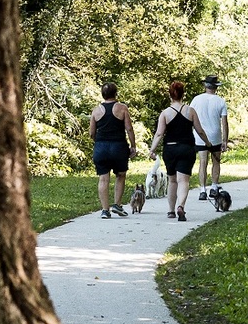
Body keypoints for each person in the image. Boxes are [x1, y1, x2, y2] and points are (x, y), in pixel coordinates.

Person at [148, 81, 209, 222]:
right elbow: (199, 130)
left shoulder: (165, 113)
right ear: (183, 94)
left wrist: (152, 150)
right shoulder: (190, 111)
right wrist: (207, 143)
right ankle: (181, 206)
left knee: (172, 180)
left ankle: (170, 211)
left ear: (170, 95)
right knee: (184, 181)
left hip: (170, 149)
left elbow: (159, 134)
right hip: (186, 148)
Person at [89, 82, 137, 219]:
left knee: (103, 178)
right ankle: (117, 204)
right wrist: (133, 146)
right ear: (116, 93)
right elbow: (129, 129)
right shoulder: (122, 108)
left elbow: (92, 133)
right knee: (120, 175)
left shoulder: (96, 111)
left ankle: (105, 210)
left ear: (102, 94)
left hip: (101, 147)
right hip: (118, 147)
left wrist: (98, 143)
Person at [190, 74, 229, 201]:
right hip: (215, 135)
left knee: (203, 162)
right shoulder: (220, 101)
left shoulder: (196, 100)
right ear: (216, 87)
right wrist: (225, 140)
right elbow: (224, 122)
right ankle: (213, 186)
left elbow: (190, 117)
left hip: (200, 135)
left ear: (205, 86)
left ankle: (202, 189)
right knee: (216, 161)